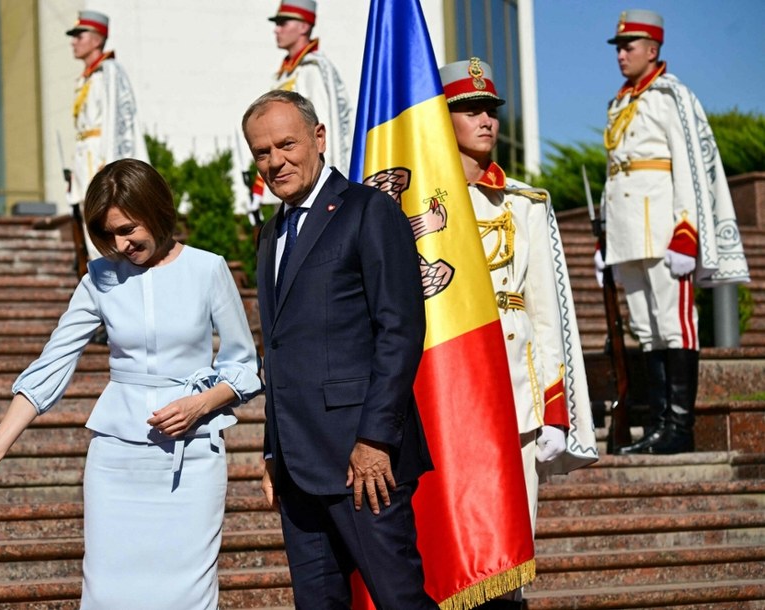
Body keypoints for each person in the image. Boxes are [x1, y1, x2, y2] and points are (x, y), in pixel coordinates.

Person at [0, 159, 262, 610]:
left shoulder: (207, 270)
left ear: (156, 210)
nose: (120, 244)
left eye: (128, 229)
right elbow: (51, 365)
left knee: (187, 594)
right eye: (108, 234)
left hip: (192, 459)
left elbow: (245, 365)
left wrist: (201, 404)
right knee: (108, 592)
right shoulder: (98, 277)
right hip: (116, 461)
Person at [242, 89, 439, 610]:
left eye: (286, 144)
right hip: (297, 466)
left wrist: (375, 439)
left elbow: (399, 329)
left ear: (319, 138)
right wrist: (271, 448)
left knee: (400, 601)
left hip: (362, 461)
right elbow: (280, 350)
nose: (275, 161)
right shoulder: (271, 234)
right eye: (262, 152)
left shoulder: (369, 210)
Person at [440, 58, 597, 608]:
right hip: (445, 393)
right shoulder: (418, 202)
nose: (486, 120)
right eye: (470, 109)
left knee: (509, 552)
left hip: (515, 393)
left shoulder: (526, 203)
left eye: (491, 110)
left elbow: (549, 315)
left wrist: (557, 408)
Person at [597, 10, 750, 455]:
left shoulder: (671, 95)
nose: (622, 53)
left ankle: (678, 427)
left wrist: (686, 232)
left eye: (630, 45)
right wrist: (605, 240)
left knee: (675, 327)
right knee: (647, 331)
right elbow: (616, 174)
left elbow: (690, 168)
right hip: (628, 235)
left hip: (663, 231)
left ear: (653, 49)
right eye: (619, 47)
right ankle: (657, 428)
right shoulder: (620, 102)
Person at [248, 0, 352, 214]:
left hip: (315, 187)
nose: (277, 29)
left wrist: (333, 187)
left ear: (304, 26)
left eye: (283, 22)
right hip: (292, 182)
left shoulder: (313, 69)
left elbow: (324, 128)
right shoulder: (288, 72)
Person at [66, 10, 148, 226]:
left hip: (101, 155)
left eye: (79, 36)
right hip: (85, 157)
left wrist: (111, 164)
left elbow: (117, 121)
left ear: (97, 39)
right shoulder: (85, 79)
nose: (73, 42)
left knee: (108, 217)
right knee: (89, 218)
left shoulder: (109, 72)